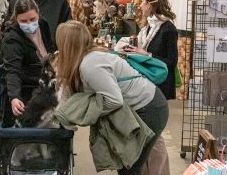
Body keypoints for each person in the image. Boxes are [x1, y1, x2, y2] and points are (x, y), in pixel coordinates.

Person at [55, 20, 169, 175]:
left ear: (68, 45)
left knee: (130, 166)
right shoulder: (89, 58)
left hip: (148, 109)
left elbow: (114, 100)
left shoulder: (90, 64)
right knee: (129, 166)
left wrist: (87, 111)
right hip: (144, 105)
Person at [123, 0, 178, 175]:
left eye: (143, 2)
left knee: (155, 135)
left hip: (159, 85)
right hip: (145, 83)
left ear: (152, 4)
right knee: (147, 133)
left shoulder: (168, 28)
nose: (140, 5)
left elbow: (171, 61)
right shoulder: (147, 27)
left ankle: (159, 171)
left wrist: (147, 55)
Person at [1, 0, 54, 126]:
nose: (29, 24)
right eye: (23, 21)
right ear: (16, 19)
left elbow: (51, 49)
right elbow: (13, 70)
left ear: (38, 14)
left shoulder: (43, 24)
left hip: (47, 81)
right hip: (26, 86)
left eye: (32, 19)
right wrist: (14, 97)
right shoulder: (12, 39)